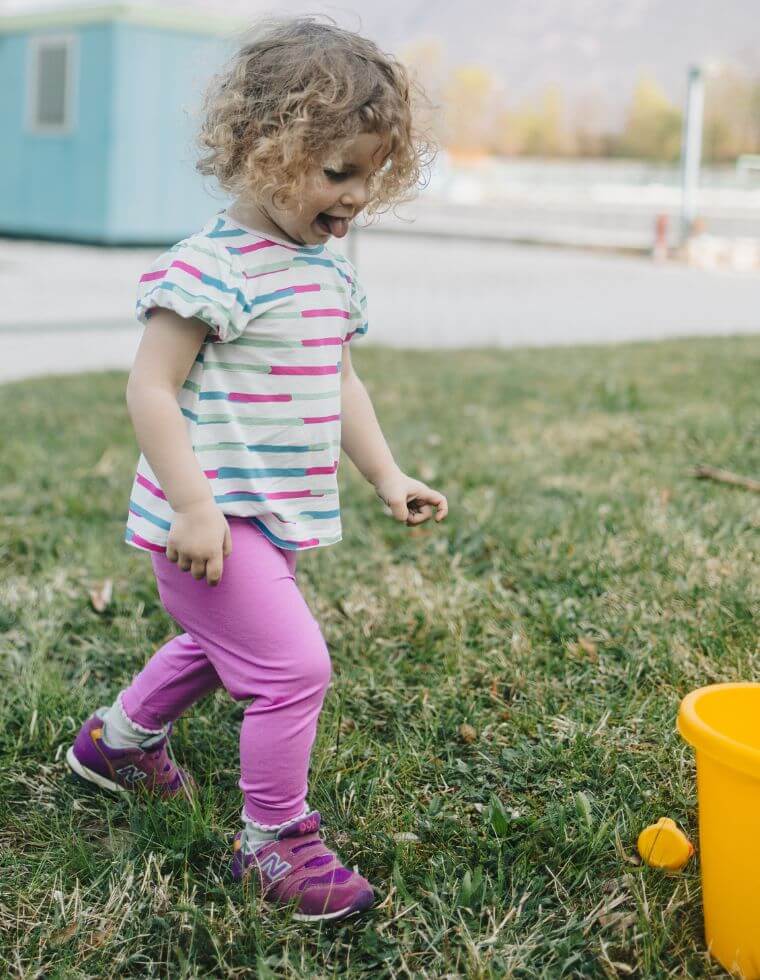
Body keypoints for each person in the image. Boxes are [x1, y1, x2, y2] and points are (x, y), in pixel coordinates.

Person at [66, 15, 447, 923]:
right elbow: (151, 389)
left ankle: (116, 745)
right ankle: (274, 842)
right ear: (262, 150)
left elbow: (339, 378)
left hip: (271, 516)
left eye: (371, 174)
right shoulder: (214, 266)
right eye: (336, 172)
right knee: (292, 669)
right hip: (210, 516)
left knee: (219, 645)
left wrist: (388, 476)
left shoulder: (325, 269)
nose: (355, 196)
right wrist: (192, 508)